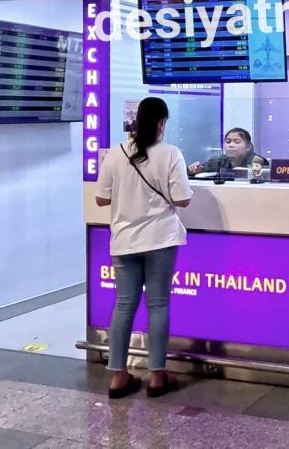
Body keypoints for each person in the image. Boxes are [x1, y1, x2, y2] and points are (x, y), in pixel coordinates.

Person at [95, 97, 192, 399]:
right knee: (158, 305)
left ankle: (117, 377)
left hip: (124, 241)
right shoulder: (170, 153)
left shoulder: (114, 153)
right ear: (162, 122)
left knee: (123, 306)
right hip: (160, 240)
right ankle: (157, 377)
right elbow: (183, 199)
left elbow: (101, 198)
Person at [187, 127, 269, 176]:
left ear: (248, 147)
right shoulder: (219, 161)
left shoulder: (256, 160)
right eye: (228, 141)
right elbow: (200, 169)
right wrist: (194, 170)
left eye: (237, 142)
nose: (231, 145)